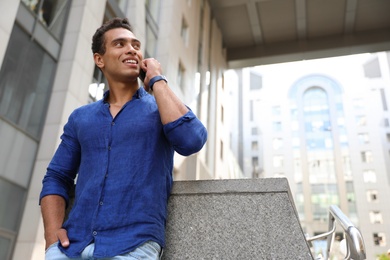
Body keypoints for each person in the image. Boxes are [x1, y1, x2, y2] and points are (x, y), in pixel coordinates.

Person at [40, 17, 207, 259]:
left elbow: (192, 141)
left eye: (136, 45)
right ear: (100, 59)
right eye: (120, 44)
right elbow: (56, 176)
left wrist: (157, 80)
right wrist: (51, 236)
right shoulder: (81, 118)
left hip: (133, 247)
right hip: (71, 247)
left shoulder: (162, 108)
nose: (132, 49)